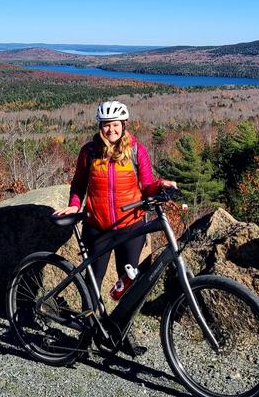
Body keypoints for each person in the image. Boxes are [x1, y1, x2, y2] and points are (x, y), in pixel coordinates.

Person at [53, 99, 177, 294]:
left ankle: (118, 323)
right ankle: (91, 320)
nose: (111, 129)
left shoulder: (136, 150)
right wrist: (75, 205)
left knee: (128, 280)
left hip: (131, 225)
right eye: (106, 125)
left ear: (123, 125)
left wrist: (160, 185)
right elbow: (78, 184)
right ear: (100, 126)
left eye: (115, 124)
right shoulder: (90, 152)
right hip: (97, 227)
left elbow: (146, 185)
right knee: (93, 281)